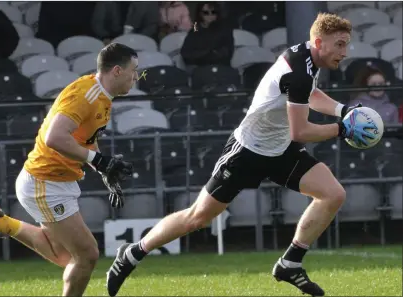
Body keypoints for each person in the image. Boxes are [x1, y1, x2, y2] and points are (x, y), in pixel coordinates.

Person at [105, 12, 376, 297]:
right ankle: (132, 253)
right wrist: (342, 129)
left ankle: (290, 262)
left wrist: (342, 111)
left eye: (346, 45)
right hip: (248, 151)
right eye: (340, 45)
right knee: (197, 217)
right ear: (320, 42)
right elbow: (301, 131)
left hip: (281, 149)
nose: (345, 53)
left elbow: (309, 93)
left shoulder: (307, 58)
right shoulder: (298, 69)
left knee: (333, 194)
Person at [0, 43, 138, 297]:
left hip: (56, 181)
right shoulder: (85, 94)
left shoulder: (101, 97)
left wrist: (104, 170)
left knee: (70, 258)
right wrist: (99, 162)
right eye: (135, 70)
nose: (136, 76)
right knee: (86, 255)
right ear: (117, 71)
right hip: (45, 181)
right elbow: (54, 137)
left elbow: (85, 139)